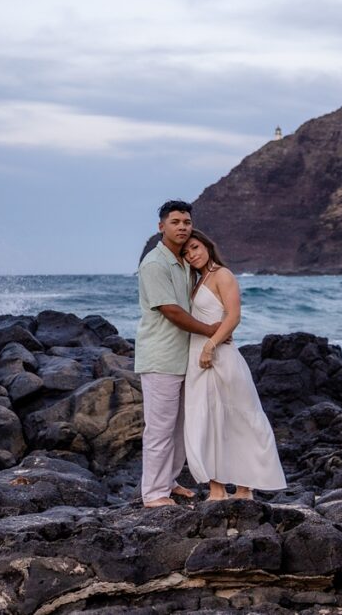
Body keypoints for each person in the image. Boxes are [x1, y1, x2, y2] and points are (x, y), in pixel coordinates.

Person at [181, 229, 286, 500]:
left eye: (194, 247)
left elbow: (234, 316)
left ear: (206, 244)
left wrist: (210, 345)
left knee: (238, 418)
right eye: (186, 252)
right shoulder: (196, 279)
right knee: (207, 421)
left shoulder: (222, 275)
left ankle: (244, 487)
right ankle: (216, 488)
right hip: (198, 359)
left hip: (219, 356)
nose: (191, 254)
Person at [135, 200, 222, 508]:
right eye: (176, 222)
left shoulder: (184, 262)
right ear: (162, 227)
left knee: (180, 426)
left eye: (186, 221)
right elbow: (171, 311)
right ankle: (153, 494)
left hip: (184, 356)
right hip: (160, 358)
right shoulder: (155, 264)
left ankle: (169, 482)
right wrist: (210, 330)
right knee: (159, 428)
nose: (183, 227)